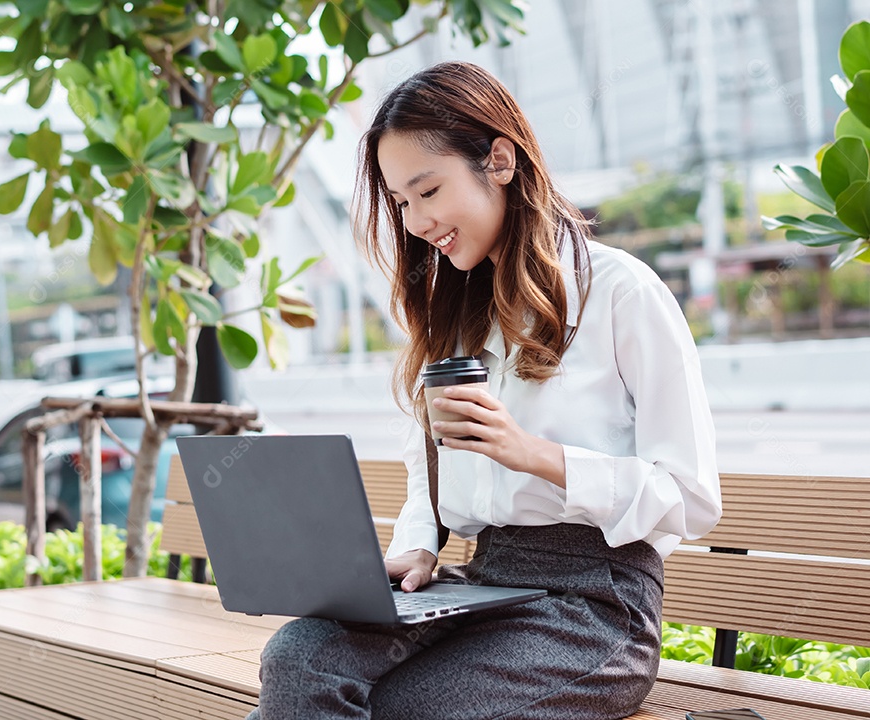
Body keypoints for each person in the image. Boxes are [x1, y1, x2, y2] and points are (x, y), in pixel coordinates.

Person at [247, 61, 722, 720]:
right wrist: (416, 544)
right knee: (299, 657)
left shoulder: (621, 292)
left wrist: (534, 455)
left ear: (499, 160)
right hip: (481, 583)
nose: (415, 222)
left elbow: (692, 497)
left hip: (596, 604)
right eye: (402, 202)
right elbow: (428, 468)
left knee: (406, 707)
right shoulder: (459, 313)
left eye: (428, 191)